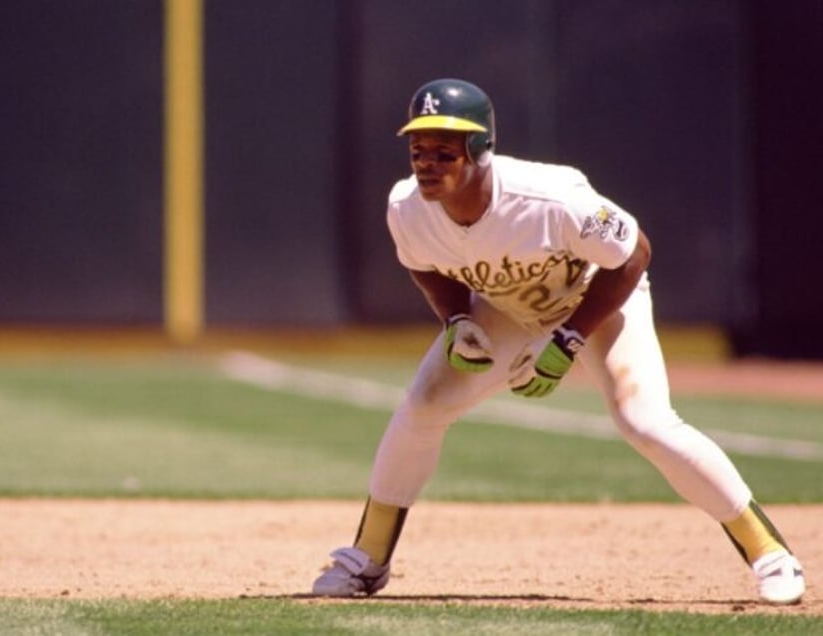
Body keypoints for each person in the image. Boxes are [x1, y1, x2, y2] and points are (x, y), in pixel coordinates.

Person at [311, 78, 805, 604]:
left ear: (480, 150)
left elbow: (634, 252)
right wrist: (457, 320)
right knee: (421, 407)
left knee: (645, 422)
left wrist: (569, 340)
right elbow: (426, 268)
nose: (426, 163)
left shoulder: (551, 199)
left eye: (443, 151)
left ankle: (771, 554)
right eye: (418, 150)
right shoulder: (407, 207)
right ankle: (367, 558)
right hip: (506, 307)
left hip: (597, 297)